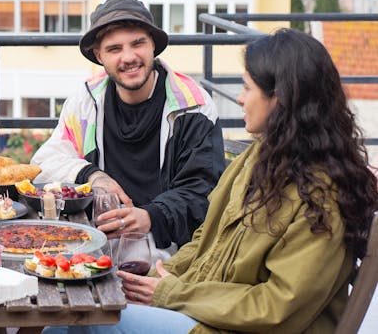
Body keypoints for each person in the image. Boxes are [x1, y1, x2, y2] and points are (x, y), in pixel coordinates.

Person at [46, 28, 378, 333]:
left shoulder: (320, 198)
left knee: (94, 318)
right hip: (209, 312)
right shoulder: (260, 158)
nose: (239, 98)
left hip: (233, 327)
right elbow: (207, 238)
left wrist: (173, 293)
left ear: (280, 98)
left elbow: (277, 308)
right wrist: (165, 278)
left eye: (247, 87)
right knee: (69, 313)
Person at [32, 0, 225, 258]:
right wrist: (92, 175)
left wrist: (151, 215)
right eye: (114, 49)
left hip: (168, 251)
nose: (129, 57)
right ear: (99, 56)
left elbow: (204, 191)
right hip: (94, 243)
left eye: (138, 44)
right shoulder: (87, 100)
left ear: (153, 45)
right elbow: (44, 164)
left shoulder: (193, 105)